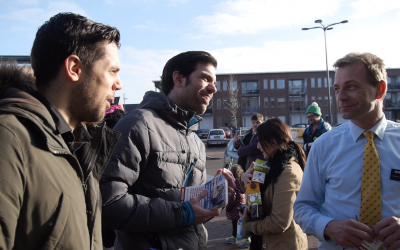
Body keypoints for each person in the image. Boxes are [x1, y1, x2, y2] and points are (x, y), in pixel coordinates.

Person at [0, 13, 122, 250]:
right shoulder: (9, 138)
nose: (118, 84)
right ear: (74, 68)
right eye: (112, 71)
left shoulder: (79, 146)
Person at [100, 51, 234, 250]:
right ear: (178, 79)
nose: (213, 88)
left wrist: (216, 197)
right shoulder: (138, 124)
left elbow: (191, 211)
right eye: (205, 78)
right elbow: (108, 201)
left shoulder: (195, 141)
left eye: (214, 81)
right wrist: (181, 213)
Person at [294, 52, 400, 250]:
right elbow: (302, 207)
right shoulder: (323, 147)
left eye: (351, 87)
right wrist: (328, 227)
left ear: (380, 89)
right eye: (337, 89)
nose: (340, 97)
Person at [239, 118, 308, 250]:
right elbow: (258, 197)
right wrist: (246, 181)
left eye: (260, 141)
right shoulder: (271, 166)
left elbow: (279, 223)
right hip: (265, 242)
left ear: (273, 141)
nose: (258, 146)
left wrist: (248, 225)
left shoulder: (288, 172)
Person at [224, 164, 247, 245]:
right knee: (244, 224)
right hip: (243, 206)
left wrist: (228, 208)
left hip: (235, 208)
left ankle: (235, 238)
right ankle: (246, 239)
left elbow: (232, 198)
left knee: (235, 224)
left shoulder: (233, 185)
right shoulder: (242, 183)